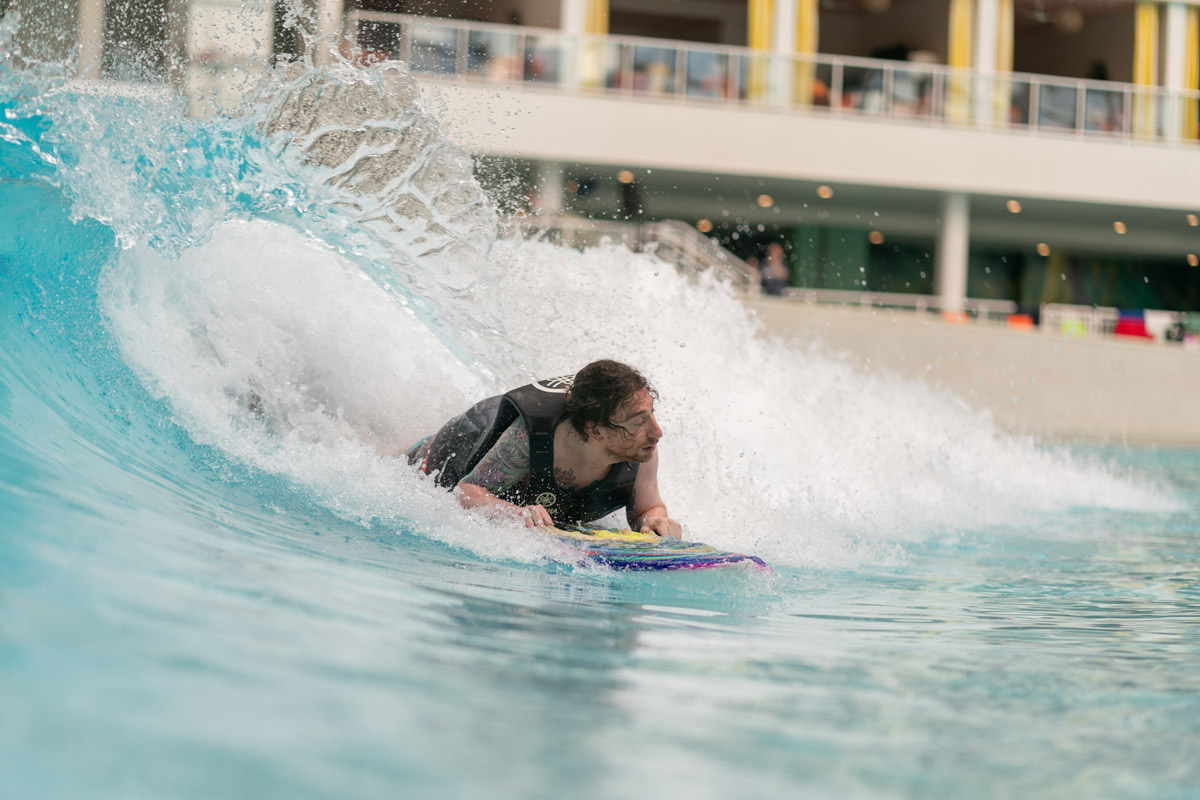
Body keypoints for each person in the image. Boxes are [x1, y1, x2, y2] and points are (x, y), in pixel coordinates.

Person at [406, 360, 682, 538]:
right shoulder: (528, 439)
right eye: (638, 421)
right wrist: (513, 513)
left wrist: (654, 521)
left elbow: (648, 508)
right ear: (595, 430)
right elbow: (467, 491)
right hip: (461, 442)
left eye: (651, 414)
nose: (657, 432)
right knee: (410, 468)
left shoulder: (639, 448)